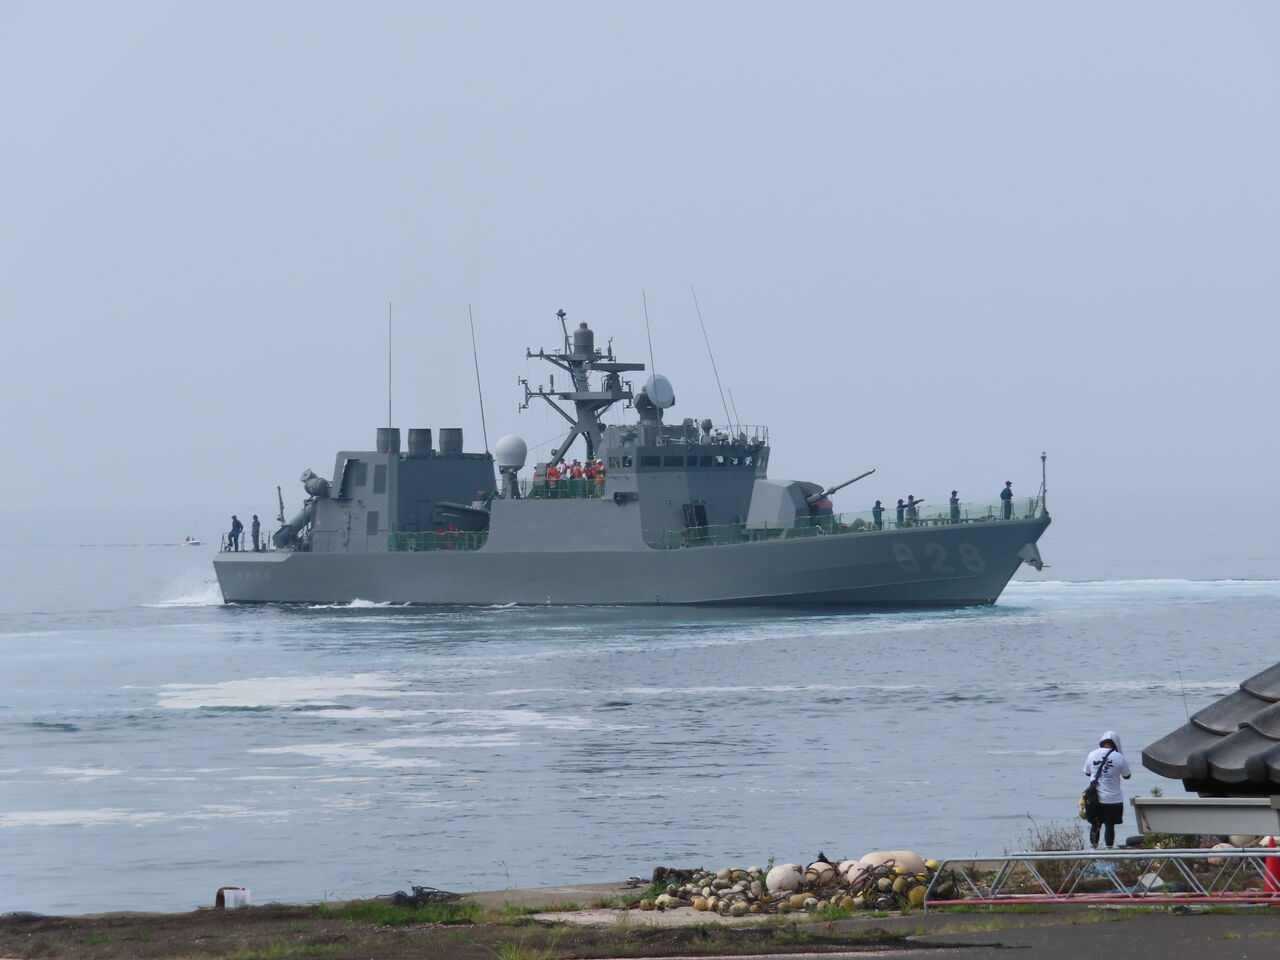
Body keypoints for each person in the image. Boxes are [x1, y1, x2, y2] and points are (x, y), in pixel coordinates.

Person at [1082, 731, 1132, 849]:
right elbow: (1127, 775)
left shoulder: (1092, 754)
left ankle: (1093, 850)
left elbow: (1087, 772)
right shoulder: (1119, 757)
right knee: (1110, 825)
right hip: (1113, 799)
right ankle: (1109, 850)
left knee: (1095, 825)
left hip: (1094, 799)